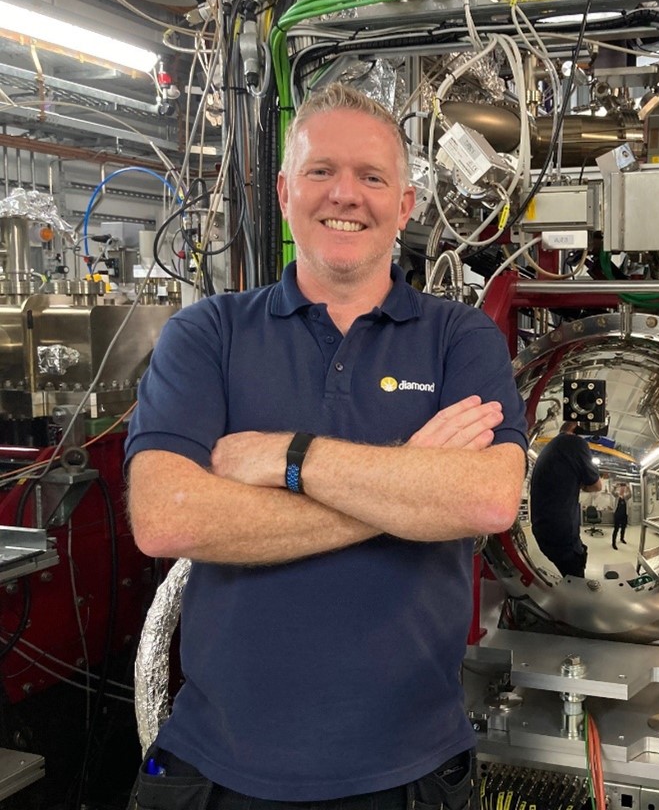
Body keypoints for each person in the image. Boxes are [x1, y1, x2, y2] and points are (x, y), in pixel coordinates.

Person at [125, 82, 527, 810]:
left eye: (373, 177)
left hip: (411, 772)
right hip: (219, 770)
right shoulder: (208, 334)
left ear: (404, 206)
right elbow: (168, 517)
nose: (346, 195)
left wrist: (287, 459)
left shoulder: (458, 338)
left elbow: (487, 498)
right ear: (284, 192)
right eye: (321, 172)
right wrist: (407, 487)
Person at [528, 422, 602, 578]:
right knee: (576, 582)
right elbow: (597, 486)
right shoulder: (574, 442)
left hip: (545, 530)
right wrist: (583, 485)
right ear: (577, 427)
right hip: (562, 534)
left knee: (572, 569)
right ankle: (577, 602)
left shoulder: (552, 446)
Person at [611, 482, 631, 550]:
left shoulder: (626, 497)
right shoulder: (617, 495)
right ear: (619, 489)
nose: (622, 489)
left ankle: (622, 539)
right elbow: (612, 492)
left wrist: (628, 488)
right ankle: (613, 543)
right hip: (617, 514)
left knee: (623, 528)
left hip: (624, 515)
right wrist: (615, 486)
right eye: (621, 488)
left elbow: (630, 495)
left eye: (623, 488)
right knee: (616, 529)